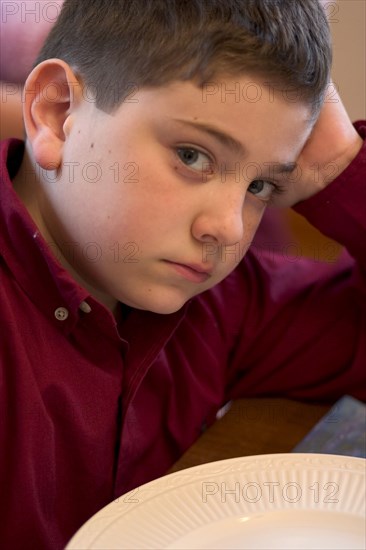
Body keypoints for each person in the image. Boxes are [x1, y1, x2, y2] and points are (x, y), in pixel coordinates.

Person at [0, 0, 364, 548]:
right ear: (56, 113)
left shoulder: (219, 304)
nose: (228, 227)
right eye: (194, 156)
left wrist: (340, 164)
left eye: (260, 186)